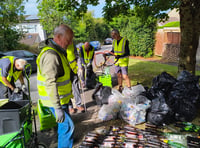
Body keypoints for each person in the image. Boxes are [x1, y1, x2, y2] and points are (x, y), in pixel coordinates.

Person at [37, 24, 74, 148]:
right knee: (67, 127)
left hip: (62, 99)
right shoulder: (51, 55)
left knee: (64, 127)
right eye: (68, 40)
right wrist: (57, 108)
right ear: (58, 37)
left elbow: (60, 73)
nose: (69, 43)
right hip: (55, 101)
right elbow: (50, 82)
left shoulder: (58, 51)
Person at [66, 42, 85, 114]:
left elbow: (78, 57)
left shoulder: (72, 44)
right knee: (66, 89)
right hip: (64, 71)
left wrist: (80, 67)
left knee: (76, 87)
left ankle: (78, 105)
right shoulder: (58, 46)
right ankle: (70, 107)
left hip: (73, 70)